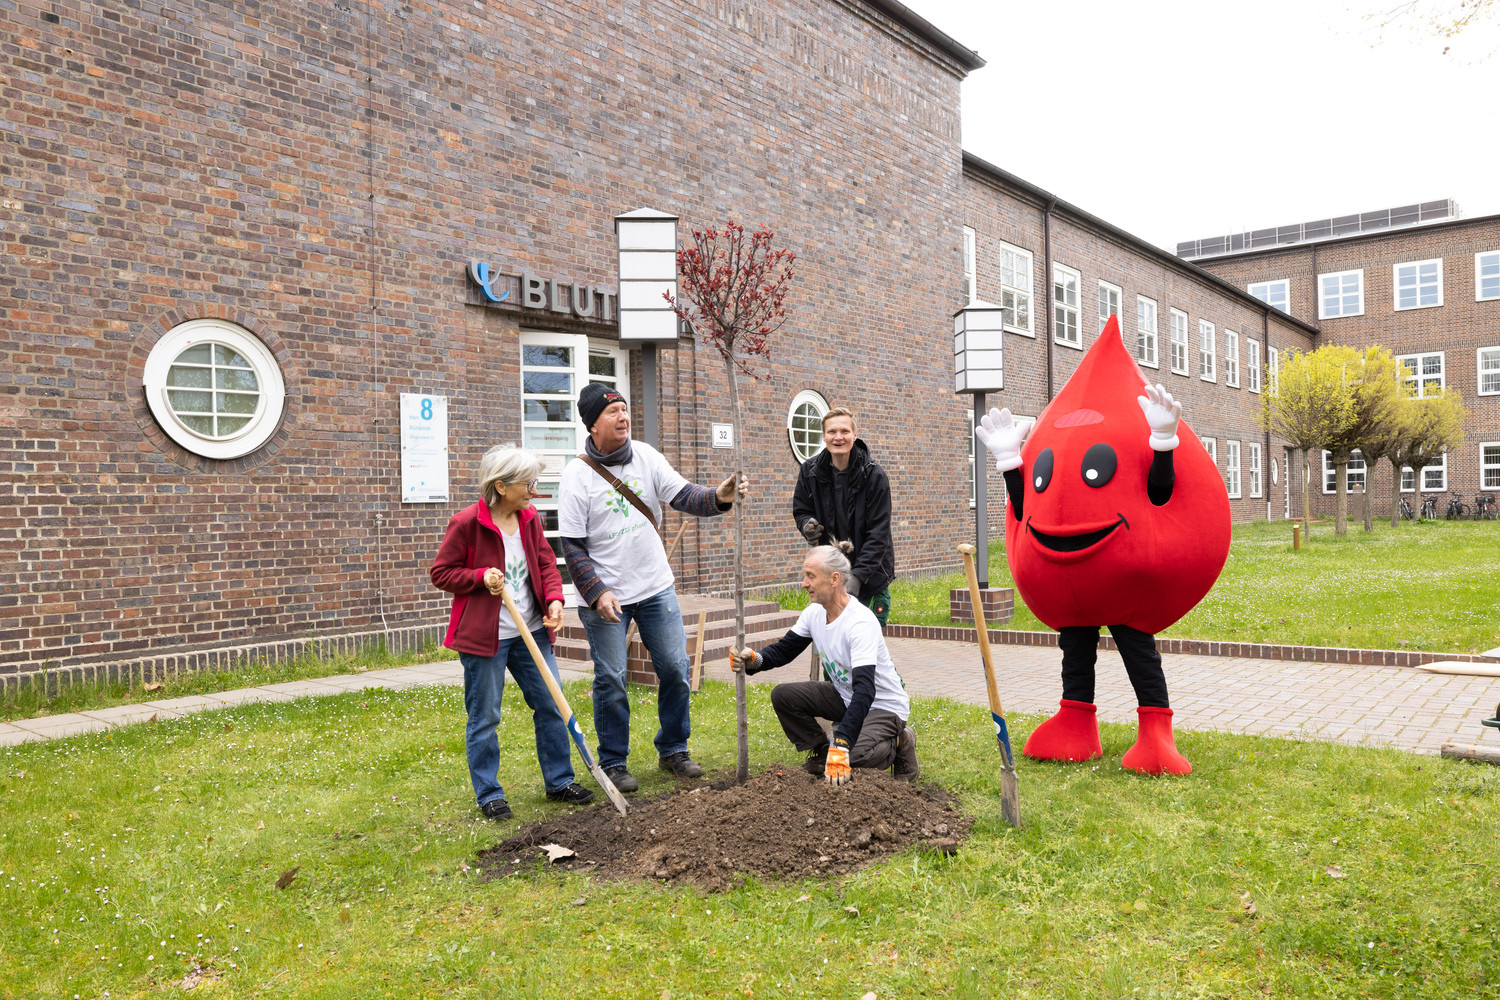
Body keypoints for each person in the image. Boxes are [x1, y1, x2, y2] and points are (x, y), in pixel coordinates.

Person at [558, 383, 748, 791]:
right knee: (611, 677)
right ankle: (613, 761)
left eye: (625, 409)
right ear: (593, 424)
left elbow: (684, 496)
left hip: (655, 587)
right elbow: (570, 546)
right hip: (605, 597)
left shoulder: (646, 456)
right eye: (613, 412)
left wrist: (719, 496)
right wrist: (596, 591)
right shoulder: (576, 476)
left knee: (676, 669)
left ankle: (674, 749)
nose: (623, 417)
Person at [430, 444, 594, 821]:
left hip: (531, 632)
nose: (533, 490)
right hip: (485, 637)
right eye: (527, 483)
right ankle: (489, 794)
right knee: (485, 716)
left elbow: (545, 563)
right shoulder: (467, 522)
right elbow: (441, 573)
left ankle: (559, 781)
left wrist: (554, 599)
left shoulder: (529, 517)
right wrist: (478, 576)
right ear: (501, 486)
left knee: (551, 704)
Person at [728, 546, 919, 784]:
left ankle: (900, 741)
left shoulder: (860, 623)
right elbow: (785, 650)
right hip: (845, 697)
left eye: (810, 576)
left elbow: (865, 691)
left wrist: (843, 743)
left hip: (883, 705)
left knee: (854, 756)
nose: (803, 583)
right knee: (783, 696)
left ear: (834, 579)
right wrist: (756, 660)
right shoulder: (814, 613)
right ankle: (822, 752)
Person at [791, 406, 894, 625]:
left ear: (854, 435)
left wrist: (857, 576)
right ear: (824, 436)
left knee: (865, 647)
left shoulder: (874, 476)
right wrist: (806, 524)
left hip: (869, 579)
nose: (838, 437)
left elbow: (879, 533)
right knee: (831, 645)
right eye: (832, 432)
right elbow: (801, 509)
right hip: (827, 575)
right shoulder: (810, 472)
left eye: (845, 431)